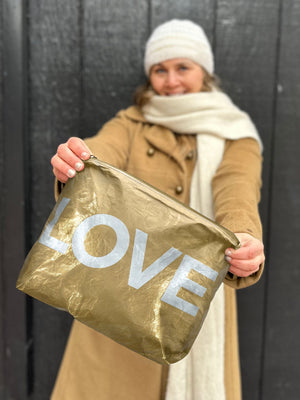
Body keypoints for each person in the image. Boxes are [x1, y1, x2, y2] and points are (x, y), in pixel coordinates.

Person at [50, 19, 265, 400]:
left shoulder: (236, 134)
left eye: (183, 67)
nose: (171, 80)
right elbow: (102, 153)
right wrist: (77, 163)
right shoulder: (131, 123)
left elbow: (237, 189)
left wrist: (243, 236)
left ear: (205, 71)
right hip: (122, 287)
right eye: (160, 70)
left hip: (193, 289)